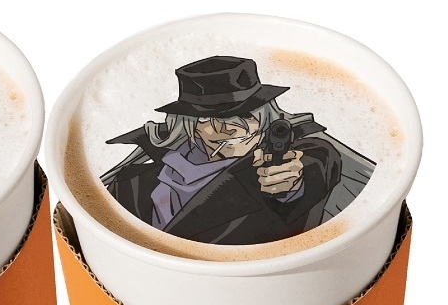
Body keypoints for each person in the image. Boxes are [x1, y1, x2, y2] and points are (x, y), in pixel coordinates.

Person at [102, 56, 374, 245]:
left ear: (267, 117)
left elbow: (317, 162)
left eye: (245, 115)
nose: (230, 129)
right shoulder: (132, 183)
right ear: (191, 126)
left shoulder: (295, 157)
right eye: (211, 118)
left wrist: (291, 183)